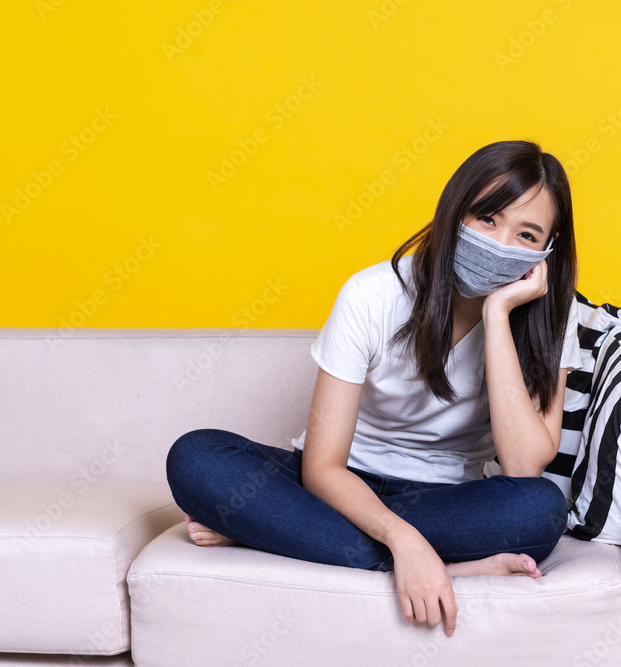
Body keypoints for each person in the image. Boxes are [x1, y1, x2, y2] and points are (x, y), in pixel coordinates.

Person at [165, 139, 582, 639]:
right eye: (487, 218)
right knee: (196, 457)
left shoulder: (554, 317)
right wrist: (403, 542)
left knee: (540, 509)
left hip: (446, 501)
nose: (500, 243)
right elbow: (322, 467)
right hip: (338, 486)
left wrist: (498, 315)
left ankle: (282, 532)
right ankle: (436, 567)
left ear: (547, 251)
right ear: (455, 212)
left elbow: (523, 466)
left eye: (526, 234)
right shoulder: (372, 294)